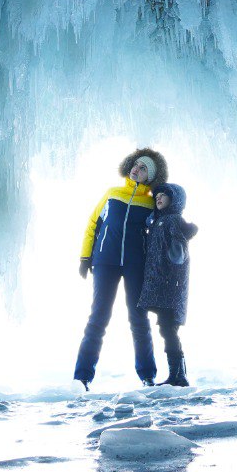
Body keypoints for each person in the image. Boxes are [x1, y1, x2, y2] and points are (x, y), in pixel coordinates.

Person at [73, 148, 168, 389]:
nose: (137, 169)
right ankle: (82, 377)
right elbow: (93, 224)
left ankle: (148, 376)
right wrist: (86, 257)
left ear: (151, 176)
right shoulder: (112, 194)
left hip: (137, 265)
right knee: (98, 318)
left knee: (139, 320)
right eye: (136, 164)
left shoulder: (150, 203)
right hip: (105, 261)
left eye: (144, 168)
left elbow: (169, 216)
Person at [138, 182, 197, 387]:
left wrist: (174, 266)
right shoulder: (157, 222)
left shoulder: (172, 220)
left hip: (170, 286)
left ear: (175, 200)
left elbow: (179, 251)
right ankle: (177, 374)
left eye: (164, 195)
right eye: (157, 196)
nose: (159, 198)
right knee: (166, 328)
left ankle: (178, 375)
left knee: (168, 328)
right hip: (163, 285)